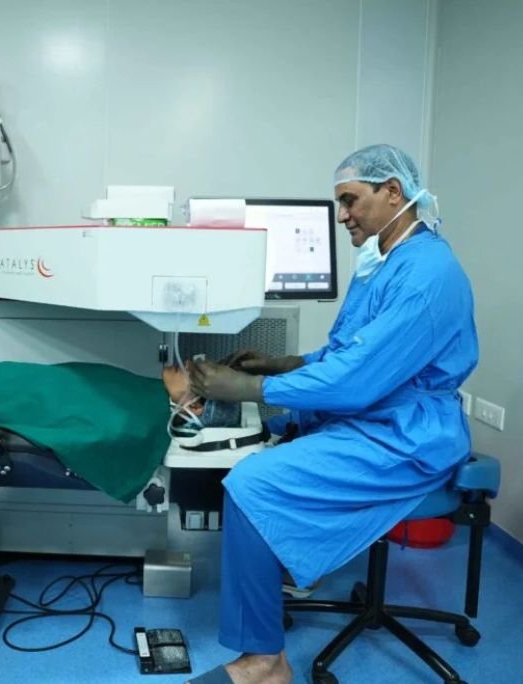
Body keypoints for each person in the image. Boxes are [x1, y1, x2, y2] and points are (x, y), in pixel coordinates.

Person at [184, 144, 479, 684]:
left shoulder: (427, 273)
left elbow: (359, 377)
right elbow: (352, 350)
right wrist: (291, 360)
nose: (342, 215)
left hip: (406, 434)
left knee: (252, 481)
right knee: (265, 435)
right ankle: (281, 588)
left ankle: (263, 664)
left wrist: (255, 385)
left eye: (350, 200)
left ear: (393, 192)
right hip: (377, 413)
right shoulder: (387, 261)